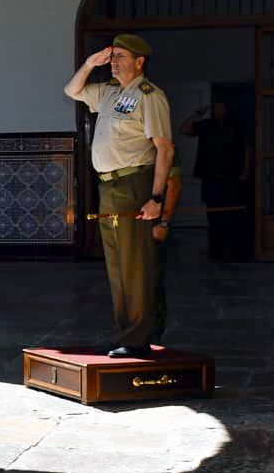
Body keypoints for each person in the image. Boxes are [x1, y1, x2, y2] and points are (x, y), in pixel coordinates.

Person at [64, 34, 174, 357]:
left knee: (136, 263)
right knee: (117, 264)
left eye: (121, 57)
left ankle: (139, 337)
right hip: (109, 187)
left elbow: (164, 149)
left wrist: (156, 198)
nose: (114, 62)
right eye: (113, 57)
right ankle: (125, 332)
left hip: (134, 184)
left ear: (140, 62)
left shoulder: (149, 96)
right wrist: (89, 64)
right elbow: (72, 90)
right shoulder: (110, 93)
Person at [183, 99, 253, 261]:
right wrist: (197, 114)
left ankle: (233, 253)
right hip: (210, 177)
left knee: (231, 215)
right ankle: (215, 253)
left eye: (222, 106)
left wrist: (246, 170)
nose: (218, 110)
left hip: (231, 177)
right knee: (213, 217)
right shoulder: (206, 125)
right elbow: (185, 129)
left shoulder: (236, 125)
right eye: (216, 107)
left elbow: (247, 147)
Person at [150, 158, 185, 345]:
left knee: (152, 283)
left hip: (154, 223)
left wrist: (164, 222)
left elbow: (174, 183)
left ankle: (153, 336)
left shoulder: (164, 146)